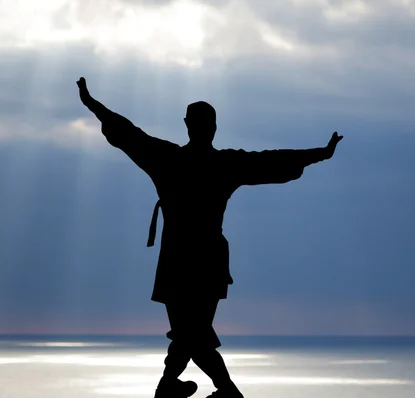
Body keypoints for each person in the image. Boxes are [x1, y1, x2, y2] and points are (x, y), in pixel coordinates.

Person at [76, 77, 343, 398]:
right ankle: (213, 390)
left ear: (189, 125)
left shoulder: (170, 159)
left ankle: (187, 388)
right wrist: (319, 153)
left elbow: (128, 133)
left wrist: (92, 104)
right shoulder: (220, 163)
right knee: (193, 334)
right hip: (204, 262)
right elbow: (271, 159)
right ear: (210, 127)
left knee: (190, 334)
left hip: (179, 260)